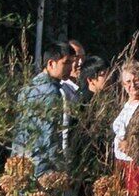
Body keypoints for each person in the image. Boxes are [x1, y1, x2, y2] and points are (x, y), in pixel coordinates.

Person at [11, 42, 84, 180]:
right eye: (66, 63)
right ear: (51, 64)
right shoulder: (51, 91)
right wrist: (60, 167)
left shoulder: (29, 87)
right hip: (40, 165)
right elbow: (49, 133)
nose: (71, 67)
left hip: (19, 161)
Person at [107, 58, 139, 196]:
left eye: (136, 80)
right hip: (120, 163)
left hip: (138, 164)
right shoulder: (121, 104)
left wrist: (132, 145)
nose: (132, 85)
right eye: (127, 82)